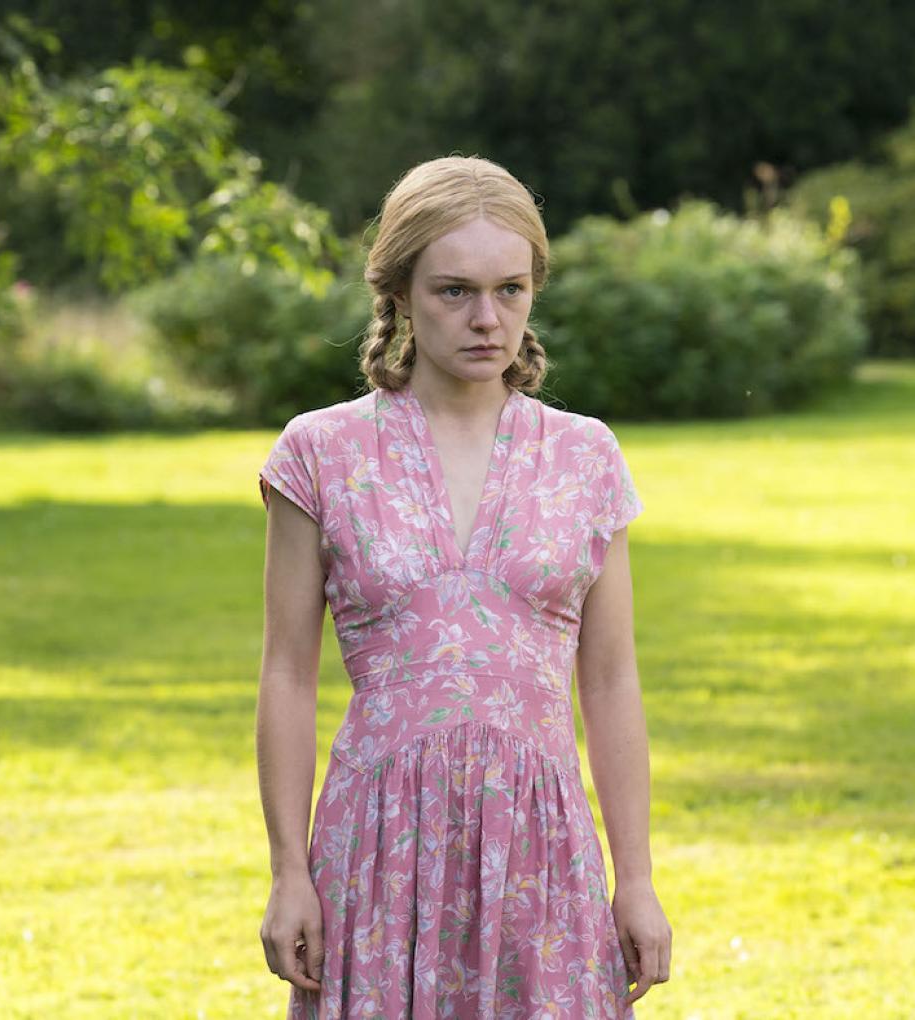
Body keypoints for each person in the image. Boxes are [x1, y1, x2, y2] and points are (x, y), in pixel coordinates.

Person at [255, 155, 670, 1018]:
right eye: (454, 291)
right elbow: (288, 675)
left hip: (542, 849)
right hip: (375, 851)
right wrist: (289, 872)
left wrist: (635, 878)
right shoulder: (320, 454)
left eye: (511, 290)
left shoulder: (585, 455)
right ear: (399, 292)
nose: (488, 319)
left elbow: (610, 679)